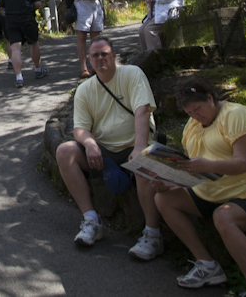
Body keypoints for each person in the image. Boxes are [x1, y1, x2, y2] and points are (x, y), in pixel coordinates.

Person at [153, 79, 246, 297]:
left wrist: (209, 165)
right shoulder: (192, 126)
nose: (195, 115)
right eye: (189, 112)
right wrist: (168, 181)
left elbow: (243, 163)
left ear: (211, 99)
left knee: (223, 217)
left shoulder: (237, 115)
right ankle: (206, 265)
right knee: (163, 198)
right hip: (212, 192)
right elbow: (192, 168)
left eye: (198, 109)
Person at [54, 37, 165, 260]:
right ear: (89, 60)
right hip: (104, 151)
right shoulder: (85, 89)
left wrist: (140, 147)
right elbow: (80, 129)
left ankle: (153, 235)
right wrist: (90, 144)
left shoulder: (132, 74)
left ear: (114, 56)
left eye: (105, 54)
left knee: (143, 160)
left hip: (134, 144)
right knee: (65, 151)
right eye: (95, 55)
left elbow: (143, 110)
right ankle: (92, 220)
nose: (100, 59)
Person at [0, 0, 48, 88]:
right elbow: (37, 3)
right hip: (27, 19)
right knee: (34, 43)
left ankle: (19, 77)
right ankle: (37, 69)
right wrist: (28, 8)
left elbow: (0, 7)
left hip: (12, 21)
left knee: (15, 48)